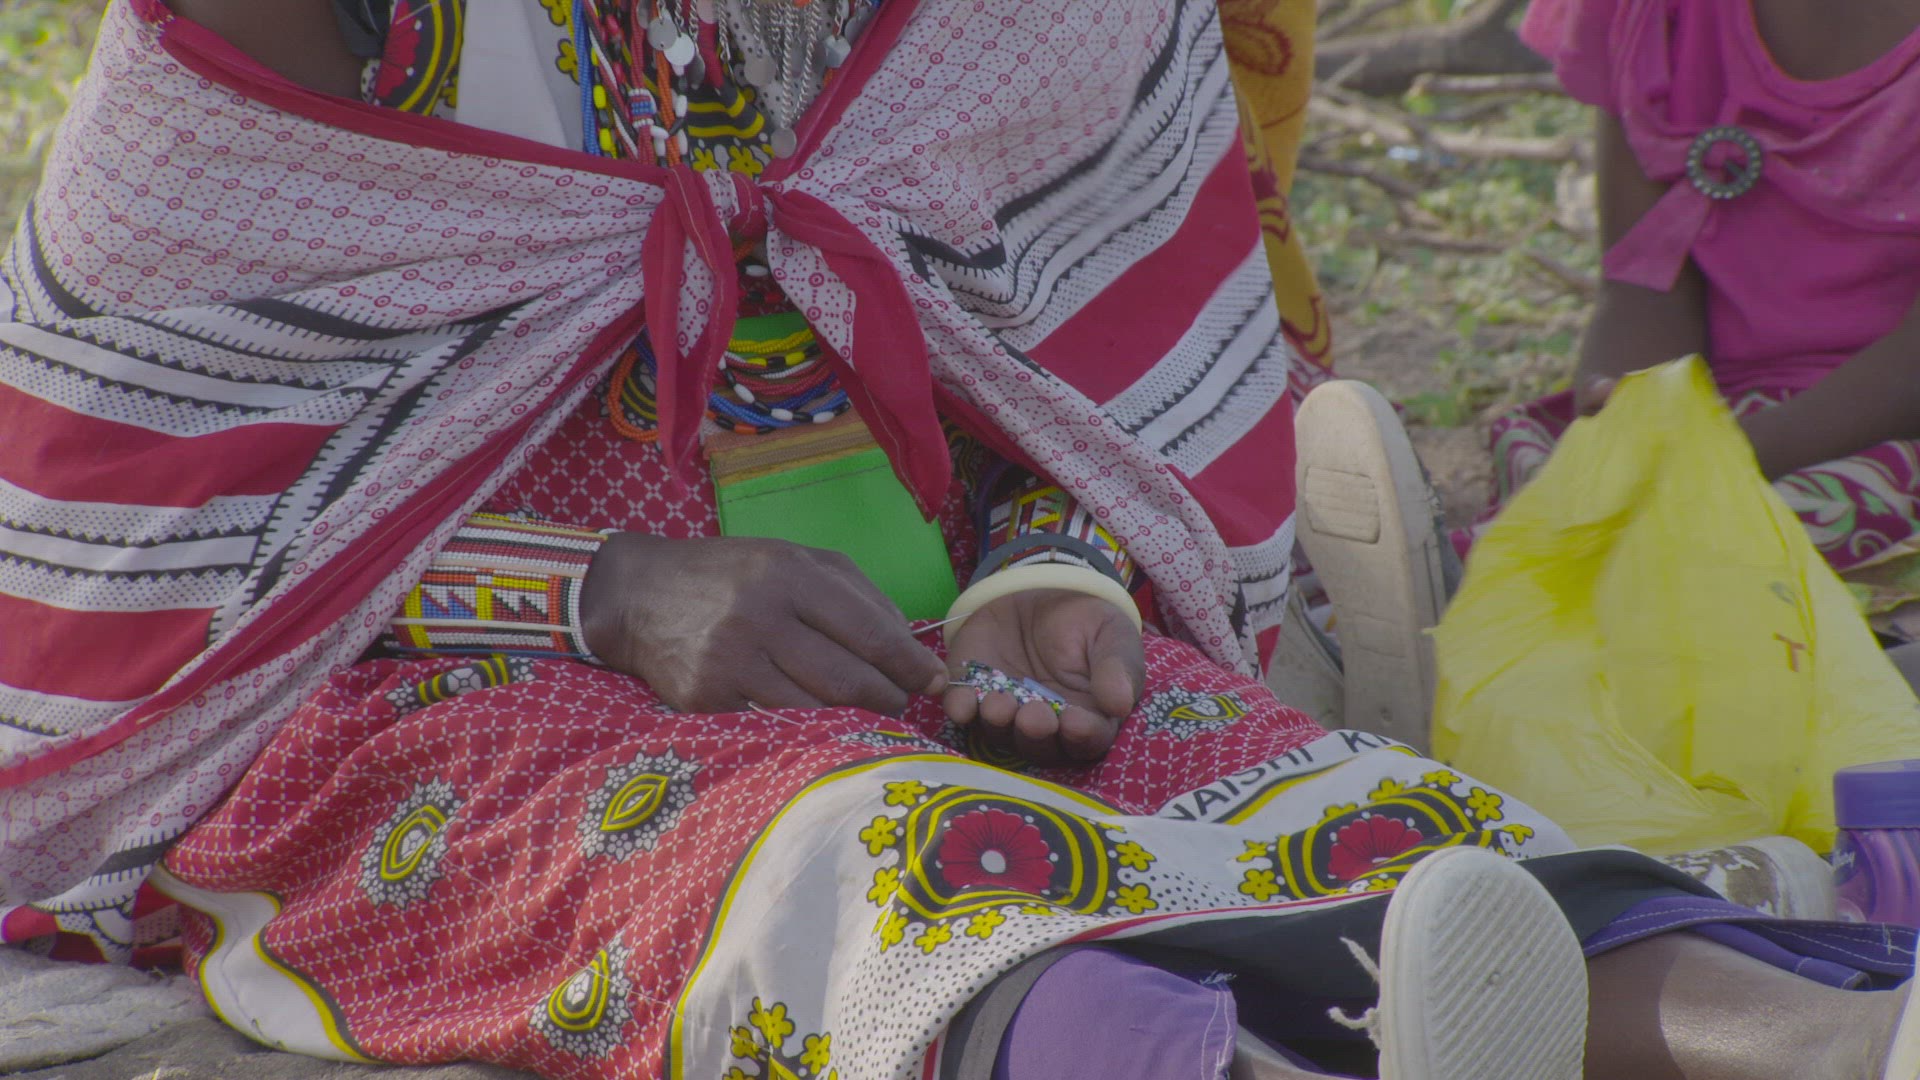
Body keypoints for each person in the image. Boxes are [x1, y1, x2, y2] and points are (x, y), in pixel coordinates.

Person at [1, 1, 1917, 1077]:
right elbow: (137, 518)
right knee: (870, 852)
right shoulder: (306, 23)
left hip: (939, 636)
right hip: (439, 701)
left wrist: (1050, 568)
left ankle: (1835, 1047)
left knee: (1314, 793)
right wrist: (600, 590)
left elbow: (1086, 344)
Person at [1459, 0, 1920, 649]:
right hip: (1718, 412)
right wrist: (1632, 418)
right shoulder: (1654, 15)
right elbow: (1643, 284)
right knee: (1554, 493)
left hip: (1884, 432)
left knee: (1781, 535)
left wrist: (1718, 458)